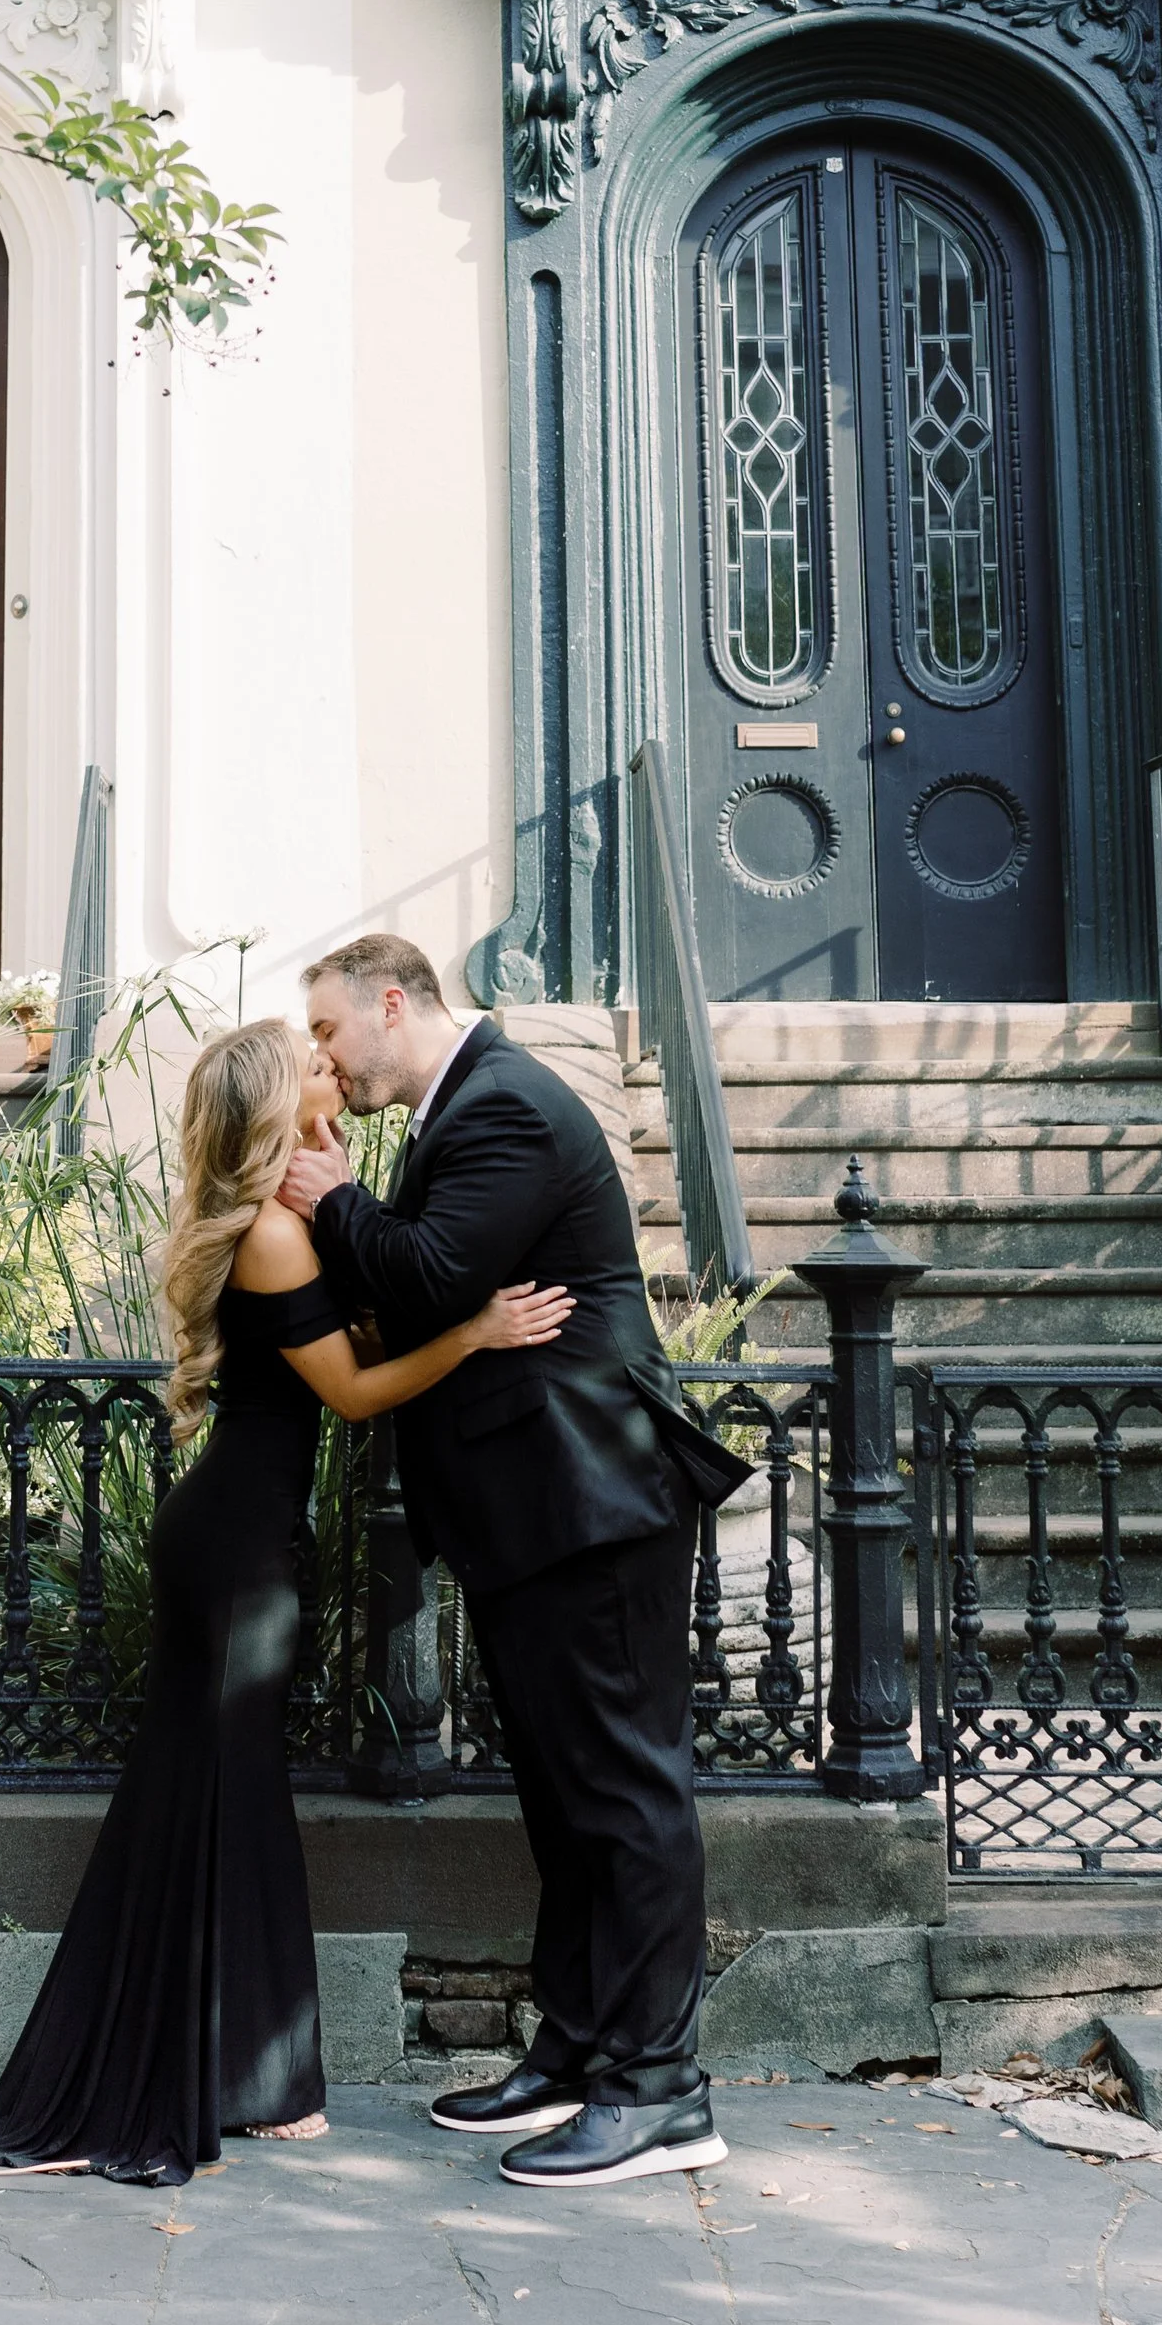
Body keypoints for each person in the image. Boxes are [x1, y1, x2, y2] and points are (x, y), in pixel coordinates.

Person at [0, 1014, 574, 2188]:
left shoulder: (297, 1216)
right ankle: (241, 2080)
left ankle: (245, 2074)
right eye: (318, 1065)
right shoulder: (274, 1235)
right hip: (230, 1552)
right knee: (222, 1800)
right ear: (283, 1104)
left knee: (222, 1798)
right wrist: (476, 1331)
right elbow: (358, 1391)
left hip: (240, 1537)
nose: (339, 1069)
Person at [281, 933, 746, 2189]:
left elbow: (433, 1277)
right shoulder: (461, 1111)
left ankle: (660, 2092)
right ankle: (582, 2045)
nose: (323, 1056)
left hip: (588, 1501)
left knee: (627, 1795)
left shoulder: (508, 1110)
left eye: (327, 1030)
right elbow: (435, 1298)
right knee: (562, 1793)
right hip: (533, 1507)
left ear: (392, 1002)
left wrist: (330, 1202)